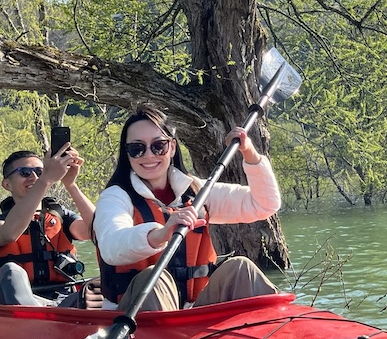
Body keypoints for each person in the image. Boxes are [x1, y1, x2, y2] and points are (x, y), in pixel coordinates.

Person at [93, 105, 281, 312]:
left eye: (158, 146)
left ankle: (277, 333)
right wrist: (161, 234)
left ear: (172, 147)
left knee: (241, 268)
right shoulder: (115, 197)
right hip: (135, 316)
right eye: (137, 149)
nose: (148, 155)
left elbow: (265, 204)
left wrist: (249, 152)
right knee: (154, 279)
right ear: (127, 154)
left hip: (193, 313)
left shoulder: (197, 191)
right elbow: (111, 248)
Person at [0, 141, 106, 308]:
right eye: (25, 172)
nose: (34, 177)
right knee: (11, 270)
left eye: (40, 171)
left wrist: (70, 184)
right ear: (7, 184)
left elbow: (95, 230)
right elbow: (8, 233)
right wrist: (46, 179)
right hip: (16, 303)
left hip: (63, 299)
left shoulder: (60, 215)